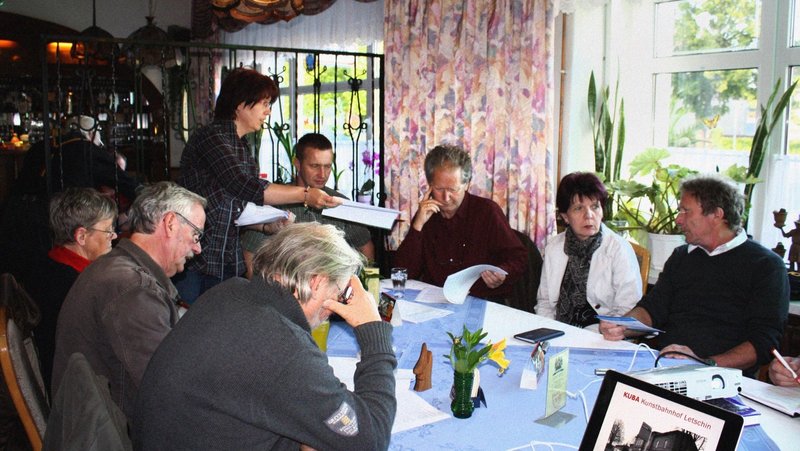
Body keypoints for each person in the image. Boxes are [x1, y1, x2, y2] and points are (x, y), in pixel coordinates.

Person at [132, 223, 396, 450]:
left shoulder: (230, 291)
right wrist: (372, 329)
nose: (339, 304)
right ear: (316, 282)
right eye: (341, 293)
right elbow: (371, 439)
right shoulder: (284, 347)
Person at [177, 68, 342, 303]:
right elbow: (244, 185)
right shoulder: (211, 137)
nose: (268, 111)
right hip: (196, 260)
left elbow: (239, 206)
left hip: (226, 261)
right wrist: (306, 195)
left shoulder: (241, 147)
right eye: (264, 103)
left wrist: (266, 226)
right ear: (240, 103)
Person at [599, 175, 789, 376]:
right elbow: (652, 309)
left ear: (716, 215)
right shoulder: (682, 256)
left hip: (722, 380)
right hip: (664, 369)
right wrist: (623, 326)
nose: (678, 219)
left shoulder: (766, 266)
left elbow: (764, 342)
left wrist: (704, 363)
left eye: (685, 211)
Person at [51, 181, 206, 420]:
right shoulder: (131, 287)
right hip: (112, 434)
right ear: (171, 224)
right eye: (196, 234)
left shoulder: (121, 268)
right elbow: (170, 387)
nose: (197, 248)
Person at [394, 144, 527, 300]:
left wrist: (502, 273)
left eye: (453, 189)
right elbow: (405, 271)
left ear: (467, 184)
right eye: (439, 189)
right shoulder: (426, 215)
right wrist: (417, 226)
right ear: (429, 186)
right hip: (436, 300)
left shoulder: (487, 212)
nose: (446, 197)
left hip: (480, 299)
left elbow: (519, 258)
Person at [19, 187, 117, 393]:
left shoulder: (49, 262)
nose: (114, 235)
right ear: (81, 236)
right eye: (107, 229)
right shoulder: (77, 285)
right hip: (75, 393)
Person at [241, 133, 374, 277]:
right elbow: (251, 258)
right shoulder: (275, 203)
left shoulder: (340, 204)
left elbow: (366, 249)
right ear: (297, 164)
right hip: (284, 291)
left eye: (327, 166)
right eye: (315, 166)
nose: (322, 174)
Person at [535, 172, 641, 328]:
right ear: (565, 216)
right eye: (579, 208)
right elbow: (545, 303)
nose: (589, 215)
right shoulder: (554, 248)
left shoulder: (618, 250)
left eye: (595, 207)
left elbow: (628, 308)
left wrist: (599, 332)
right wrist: (546, 332)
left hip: (603, 335)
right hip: (558, 333)